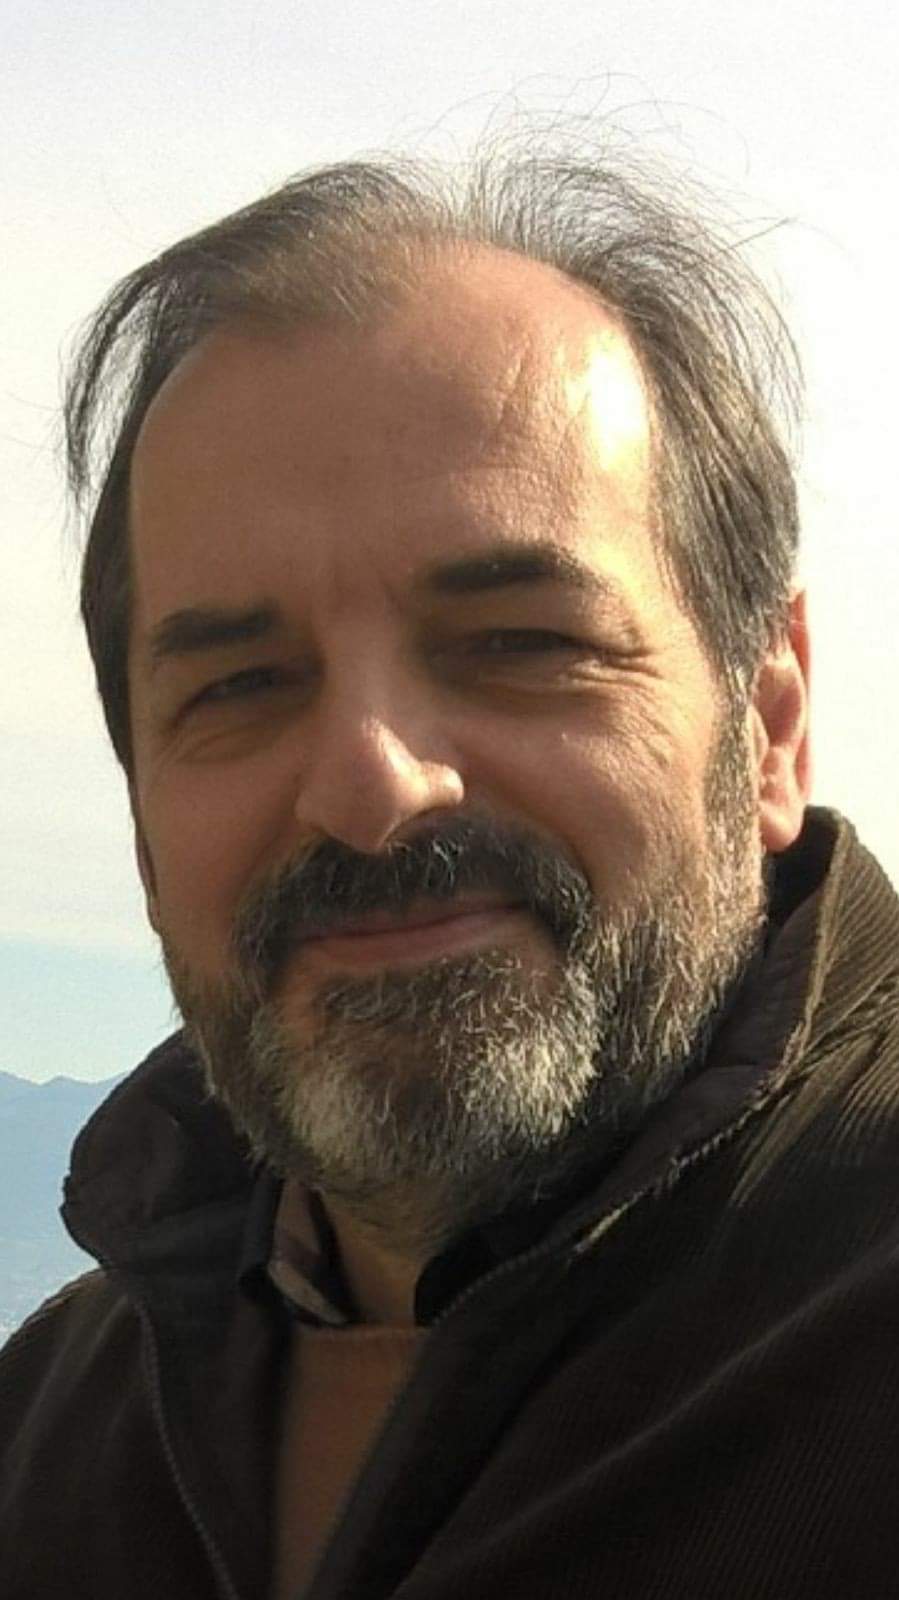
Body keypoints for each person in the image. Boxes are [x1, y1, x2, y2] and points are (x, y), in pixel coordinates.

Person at [2, 137, 898, 1600]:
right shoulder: (48, 1436)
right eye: (238, 685)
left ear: (771, 721)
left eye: (521, 643)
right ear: (145, 823)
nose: (370, 785)